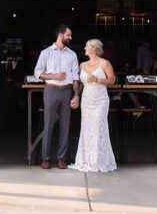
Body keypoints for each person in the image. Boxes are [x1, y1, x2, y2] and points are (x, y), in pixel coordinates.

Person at [33, 23, 80, 169]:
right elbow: (37, 72)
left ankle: (61, 158)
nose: (70, 38)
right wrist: (54, 75)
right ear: (60, 35)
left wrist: (76, 95)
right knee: (48, 125)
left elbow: (76, 77)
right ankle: (45, 158)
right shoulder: (46, 53)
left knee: (65, 126)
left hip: (67, 91)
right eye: (68, 35)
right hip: (51, 90)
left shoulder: (72, 55)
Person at [69, 39, 117, 173]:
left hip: (100, 100)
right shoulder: (82, 65)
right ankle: (86, 160)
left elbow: (112, 80)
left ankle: (99, 161)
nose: (84, 48)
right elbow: (79, 83)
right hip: (86, 100)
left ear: (94, 48)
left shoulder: (104, 63)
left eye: (87, 46)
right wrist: (76, 96)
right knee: (86, 129)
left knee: (98, 128)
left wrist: (98, 80)